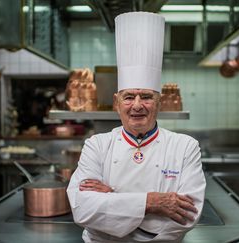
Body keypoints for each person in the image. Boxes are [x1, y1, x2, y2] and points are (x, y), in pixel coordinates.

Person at [67, 11, 206, 243]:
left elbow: (188, 214)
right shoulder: (97, 145)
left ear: (159, 103)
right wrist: (152, 202)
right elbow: (82, 208)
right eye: (129, 97)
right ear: (116, 103)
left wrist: (113, 201)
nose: (137, 106)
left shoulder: (185, 147)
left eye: (147, 97)